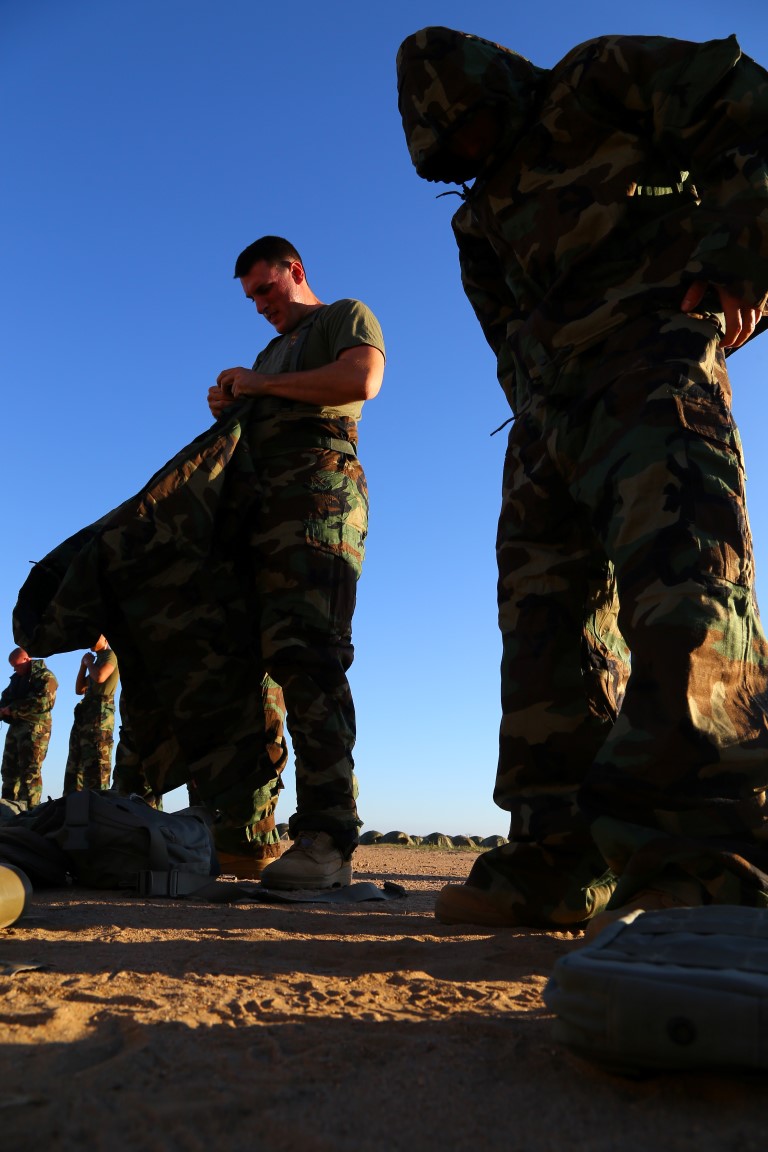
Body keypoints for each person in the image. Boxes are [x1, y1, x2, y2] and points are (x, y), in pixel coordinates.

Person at [397, 27, 768, 931]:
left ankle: (709, 866)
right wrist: (533, 409)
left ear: (492, 88)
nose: (470, 151)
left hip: (650, 364)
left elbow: (744, 107)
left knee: (684, 590)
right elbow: (502, 327)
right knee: (542, 638)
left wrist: (745, 253)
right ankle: (557, 861)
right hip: (546, 422)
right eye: (452, 146)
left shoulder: (599, 79)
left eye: (472, 125)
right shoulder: (474, 219)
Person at [207, 235, 385, 888]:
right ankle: (249, 835)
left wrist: (263, 386)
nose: (260, 305)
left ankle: (327, 840)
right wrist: (233, 405)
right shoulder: (269, 354)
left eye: (266, 289)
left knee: (310, 656)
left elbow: (362, 380)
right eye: (251, 298)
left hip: (319, 497)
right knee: (254, 664)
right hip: (262, 510)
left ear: (295, 271)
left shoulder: (343, 316)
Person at [0, 647, 58, 807]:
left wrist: (13, 709)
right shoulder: (17, 680)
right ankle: (7, 811)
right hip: (16, 729)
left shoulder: (45, 677)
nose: (15, 669)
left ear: (27, 659)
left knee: (30, 772)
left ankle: (30, 812)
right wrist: (3, 710)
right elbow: (5, 697)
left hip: (35, 730)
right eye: (13, 666)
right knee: (9, 771)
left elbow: (44, 702)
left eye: (17, 665)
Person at [63, 635, 119, 794]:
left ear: (106, 639)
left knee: (96, 763)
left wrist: (88, 663)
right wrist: (83, 665)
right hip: (86, 713)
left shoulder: (110, 655)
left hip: (100, 714)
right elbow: (79, 689)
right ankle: (72, 803)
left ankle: (97, 804)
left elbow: (100, 677)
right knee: (76, 763)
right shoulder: (96, 660)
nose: (91, 641)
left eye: (96, 637)